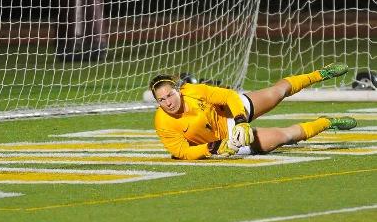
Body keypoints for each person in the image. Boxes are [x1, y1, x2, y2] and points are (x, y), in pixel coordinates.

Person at [150, 63, 357, 160]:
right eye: (161, 100)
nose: (168, 102)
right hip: (226, 140)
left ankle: (321, 73)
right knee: (284, 136)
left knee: (277, 92)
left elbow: (228, 96)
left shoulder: (193, 90)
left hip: (231, 112)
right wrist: (214, 148)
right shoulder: (163, 122)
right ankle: (327, 123)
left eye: (170, 95)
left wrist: (240, 120)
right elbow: (181, 152)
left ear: (178, 90)